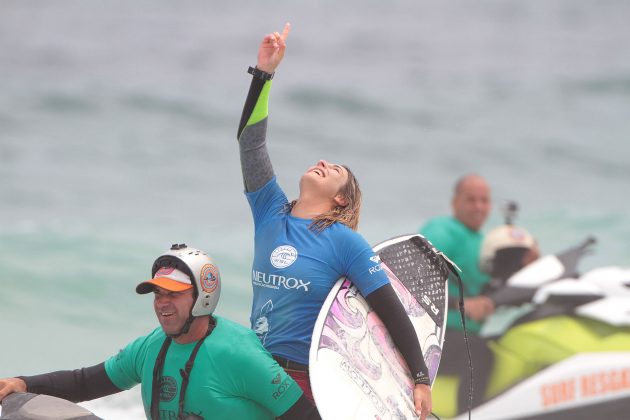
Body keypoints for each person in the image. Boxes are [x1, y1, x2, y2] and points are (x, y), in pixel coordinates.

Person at [236, 23, 433, 419]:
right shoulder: (269, 211)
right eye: (324, 161)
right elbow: (250, 142)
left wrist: (420, 378)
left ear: (341, 198)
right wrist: (264, 73)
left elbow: (391, 309)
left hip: (305, 381)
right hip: (255, 369)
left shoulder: (344, 242)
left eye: (335, 168)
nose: (323, 163)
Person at [0, 244, 319, 420]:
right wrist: (23, 383)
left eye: (174, 294)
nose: (162, 304)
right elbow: (87, 381)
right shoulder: (150, 348)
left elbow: (305, 417)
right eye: (158, 294)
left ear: (202, 296)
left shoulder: (240, 355)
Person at [419, 173, 494, 413]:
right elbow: (416, 281)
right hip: (433, 336)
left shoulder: (485, 241)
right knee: (481, 354)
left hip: (462, 335)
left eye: (484, 200)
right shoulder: (443, 230)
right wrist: (462, 305)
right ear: (455, 203)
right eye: (471, 199)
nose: (478, 206)